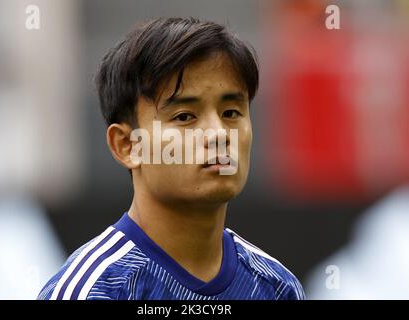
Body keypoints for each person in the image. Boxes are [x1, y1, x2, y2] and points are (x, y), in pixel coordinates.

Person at [38, 17, 305, 300]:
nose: (218, 133)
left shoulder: (277, 288)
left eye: (231, 113)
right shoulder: (93, 292)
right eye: (184, 117)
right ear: (127, 145)